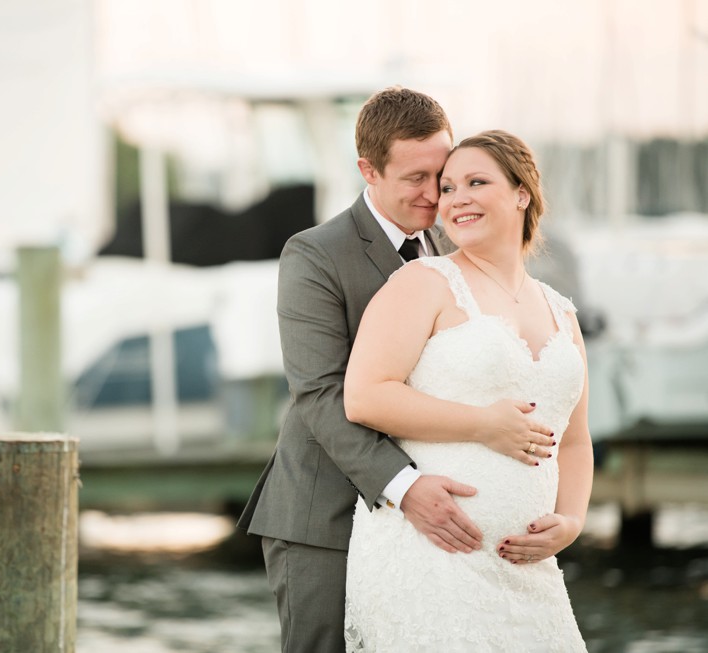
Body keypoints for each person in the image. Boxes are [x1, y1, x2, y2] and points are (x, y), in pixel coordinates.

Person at [237, 88, 554, 652]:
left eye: (444, 172)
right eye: (416, 178)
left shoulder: (452, 241)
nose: (436, 194)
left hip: (434, 528)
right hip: (325, 514)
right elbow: (320, 393)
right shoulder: (314, 254)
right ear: (369, 170)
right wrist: (404, 487)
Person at [343, 130, 593, 651]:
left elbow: (573, 439)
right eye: (449, 187)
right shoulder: (423, 283)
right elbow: (365, 396)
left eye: (476, 183)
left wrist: (570, 521)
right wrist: (483, 424)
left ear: (521, 193)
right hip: (434, 558)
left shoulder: (561, 311)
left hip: (529, 574)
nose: (456, 199)